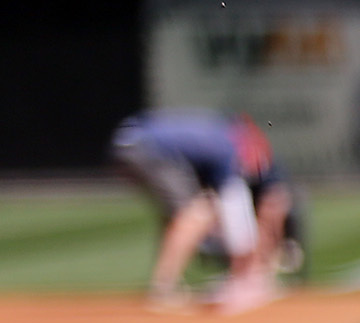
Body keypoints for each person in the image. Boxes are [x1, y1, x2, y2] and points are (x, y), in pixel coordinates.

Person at [109, 110, 295, 312]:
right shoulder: (229, 150)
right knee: (196, 214)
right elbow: (234, 210)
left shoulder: (220, 136)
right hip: (145, 149)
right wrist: (243, 260)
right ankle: (163, 288)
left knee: (179, 216)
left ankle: (168, 283)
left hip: (125, 145)